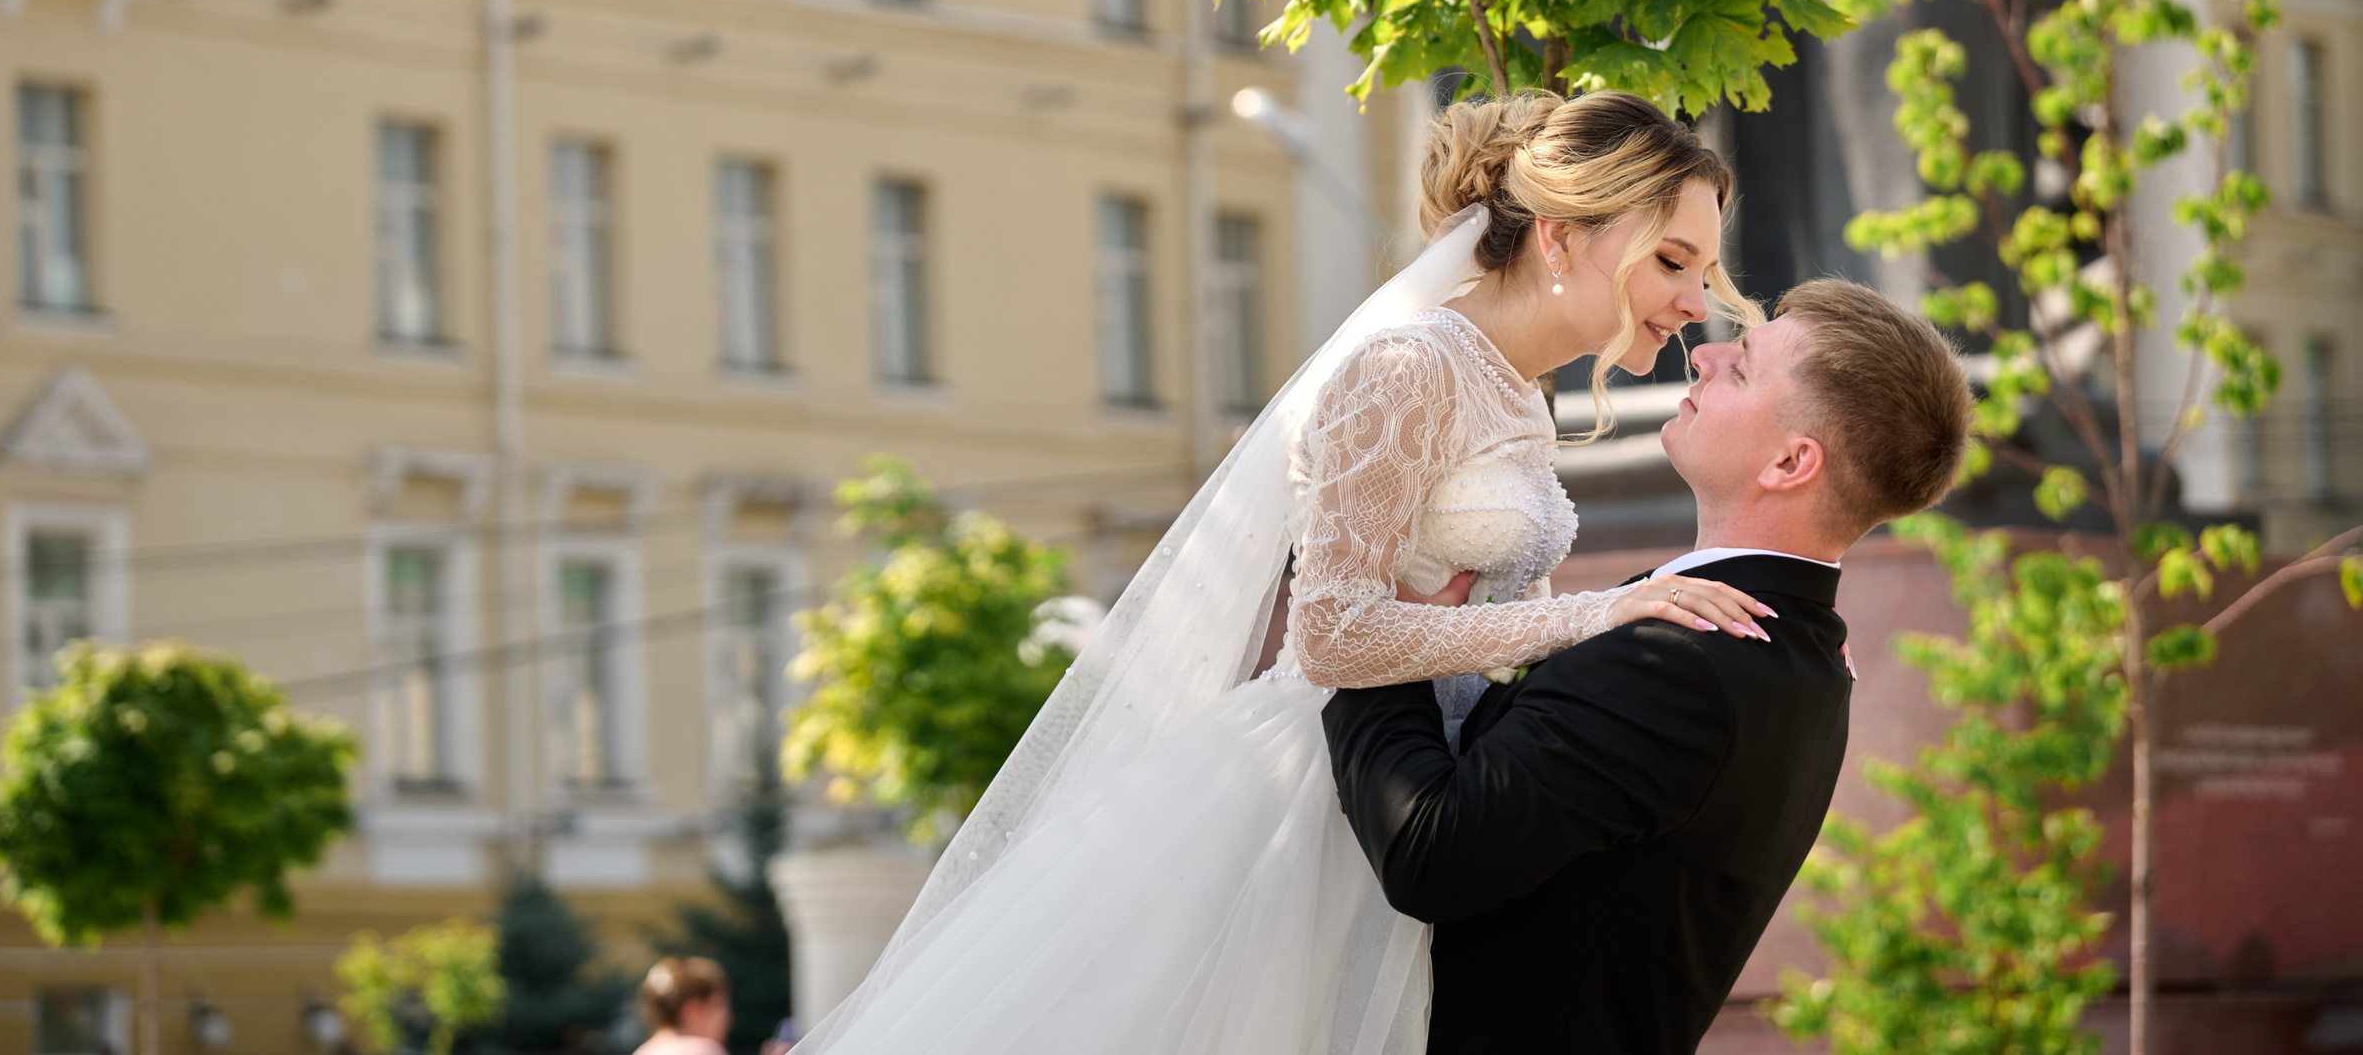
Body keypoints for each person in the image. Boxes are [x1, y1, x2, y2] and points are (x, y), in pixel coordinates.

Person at [791, 91, 1792, 1055]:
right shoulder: (1408, 369)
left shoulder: (1518, 391)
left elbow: (1490, 620)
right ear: (1561, 237)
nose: (1694, 303)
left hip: (1434, 793)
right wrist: (1597, 615)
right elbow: (1330, 632)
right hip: (1315, 797)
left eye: (1703, 271)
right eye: (1672, 261)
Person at [1323, 278, 1973, 1052]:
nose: (1704, 355)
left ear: (1791, 461)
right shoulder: (1800, 649)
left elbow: (1429, 851)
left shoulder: (1685, 661)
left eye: (1741, 367)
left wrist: (1382, 628)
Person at [634, 957, 733, 1055]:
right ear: (694, 1011)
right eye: (719, 1006)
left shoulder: (642, 1051)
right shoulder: (704, 1050)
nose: (729, 1020)